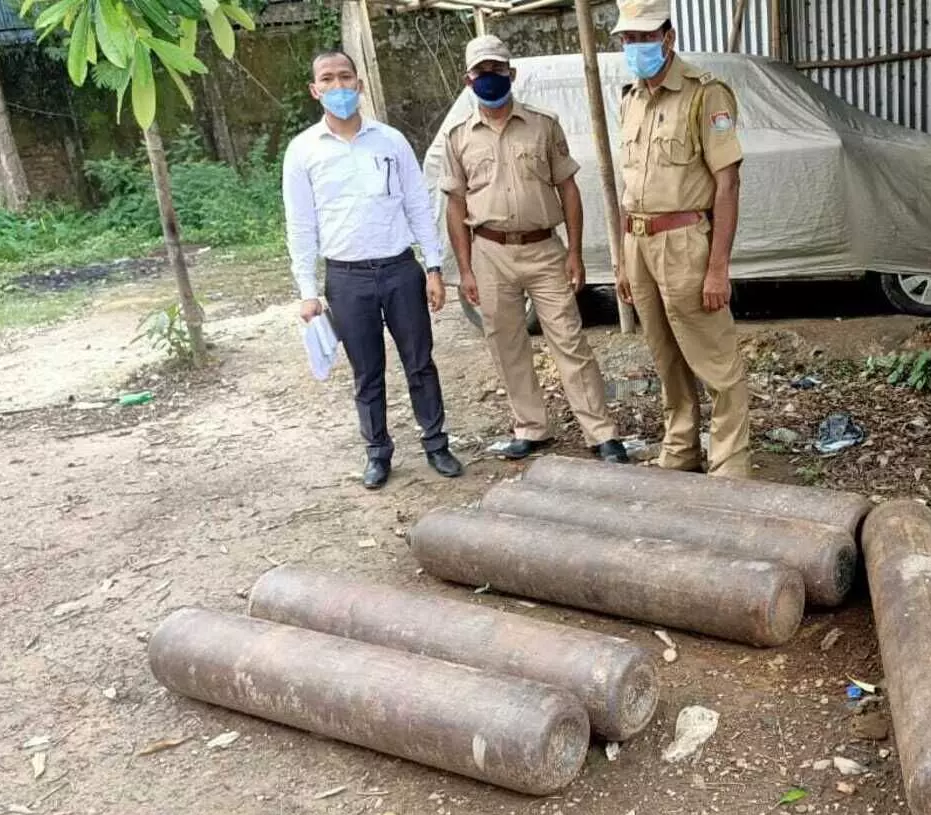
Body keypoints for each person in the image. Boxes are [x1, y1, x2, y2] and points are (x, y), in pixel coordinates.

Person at [440, 35, 629, 463]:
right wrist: (465, 269)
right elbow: (455, 205)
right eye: (481, 71)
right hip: (489, 253)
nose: (490, 78)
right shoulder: (458, 138)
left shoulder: (544, 125)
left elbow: (569, 189)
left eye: (497, 69)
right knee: (506, 344)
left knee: (569, 340)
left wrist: (575, 252)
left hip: (545, 251)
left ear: (512, 73)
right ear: (467, 78)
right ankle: (531, 427)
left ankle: (600, 433)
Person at [282, 49, 464, 490]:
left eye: (346, 77)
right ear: (315, 90)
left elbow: (419, 205)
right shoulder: (303, 151)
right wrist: (308, 290)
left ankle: (436, 444)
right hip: (346, 278)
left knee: (420, 362)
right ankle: (377, 452)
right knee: (367, 371)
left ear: (360, 84)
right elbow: (301, 224)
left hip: (401, 270)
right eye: (328, 79)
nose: (338, 86)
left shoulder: (391, 141)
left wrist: (434, 265)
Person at [611, 0, 750, 478]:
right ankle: (681, 448)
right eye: (628, 39)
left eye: (644, 37)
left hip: (686, 241)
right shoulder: (629, 98)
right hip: (639, 242)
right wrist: (622, 262)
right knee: (665, 355)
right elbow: (626, 187)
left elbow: (727, 184)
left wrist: (717, 268)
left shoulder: (704, 95)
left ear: (668, 36)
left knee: (715, 358)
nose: (635, 47)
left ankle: (730, 461)